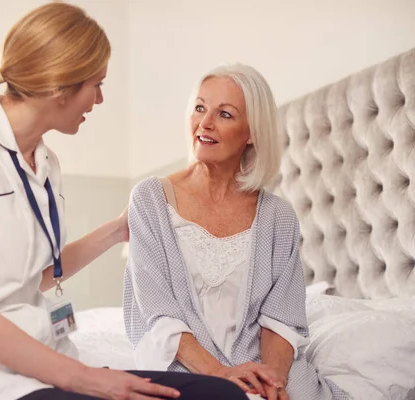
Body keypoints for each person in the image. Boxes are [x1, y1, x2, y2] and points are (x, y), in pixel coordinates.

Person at [0, 3, 248, 400]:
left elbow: (35, 277)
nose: (98, 99)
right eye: (95, 84)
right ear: (58, 86)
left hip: (40, 358)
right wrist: (81, 378)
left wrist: (118, 230)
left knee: (220, 395)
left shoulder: (45, 163)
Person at [122, 64, 349, 400]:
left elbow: (281, 318)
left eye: (224, 114)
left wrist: (274, 384)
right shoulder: (150, 199)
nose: (205, 123)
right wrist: (222, 376)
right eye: (200, 108)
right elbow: (159, 312)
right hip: (181, 364)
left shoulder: (278, 216)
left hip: (263, 369)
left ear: (252, 132)